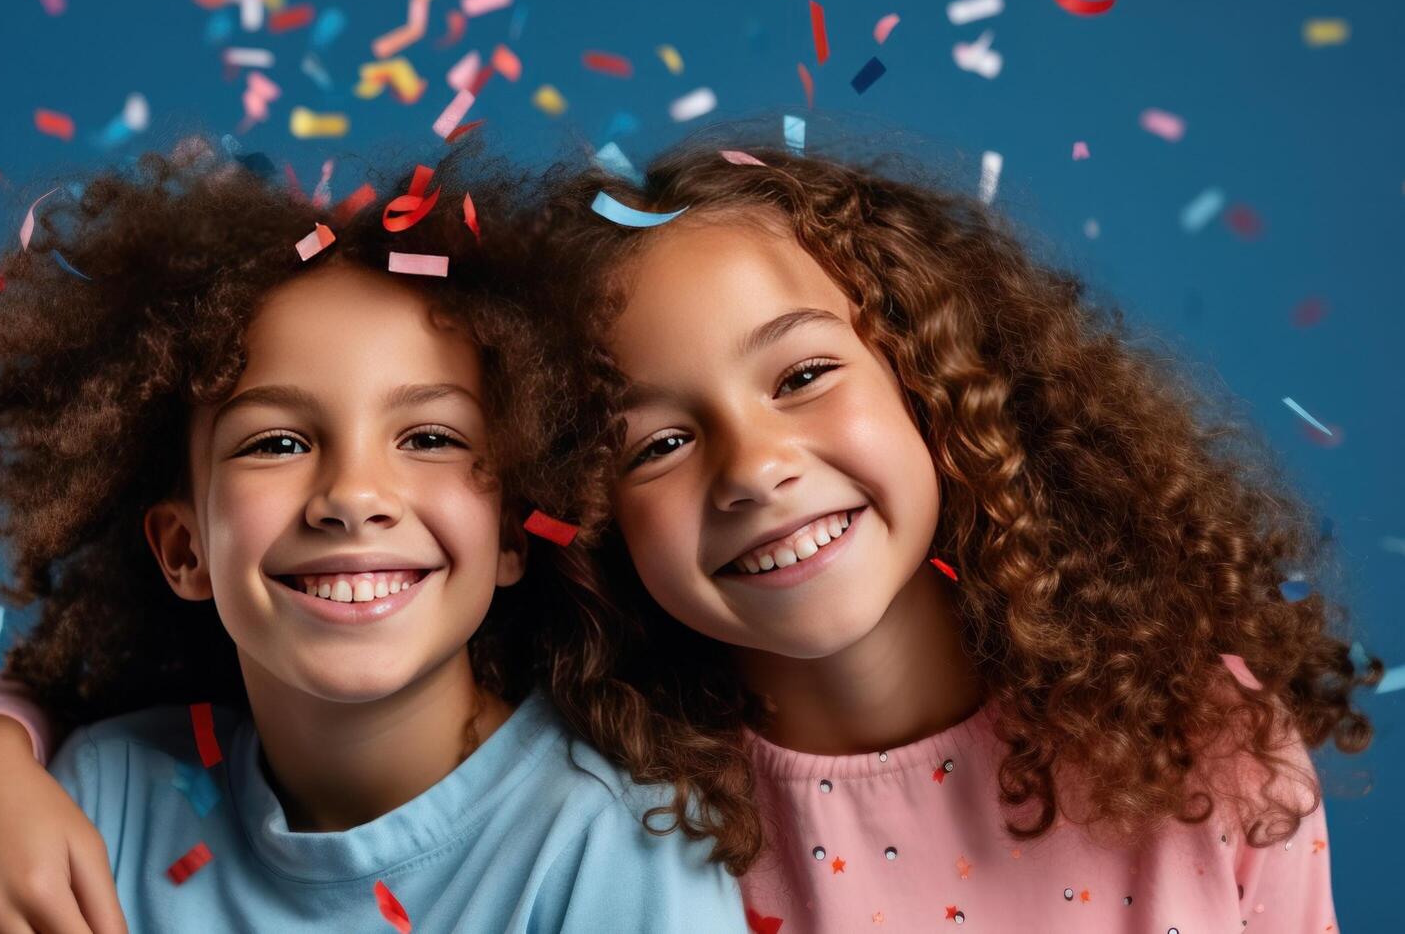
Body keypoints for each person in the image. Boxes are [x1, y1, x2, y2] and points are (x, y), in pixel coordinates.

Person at [535, 137, 1380, 931]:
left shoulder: (1208, 744)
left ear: (933, 381)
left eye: (802, 376)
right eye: (658, 445)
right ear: (588, 517)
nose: (754, 468)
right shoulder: (601, 831)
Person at [0, 140, 748, 934]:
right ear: (183, 549)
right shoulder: (103, 798)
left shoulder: (613, 842)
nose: (353, 497)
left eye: (430, 438)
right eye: (276, 443)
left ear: (513, 533)